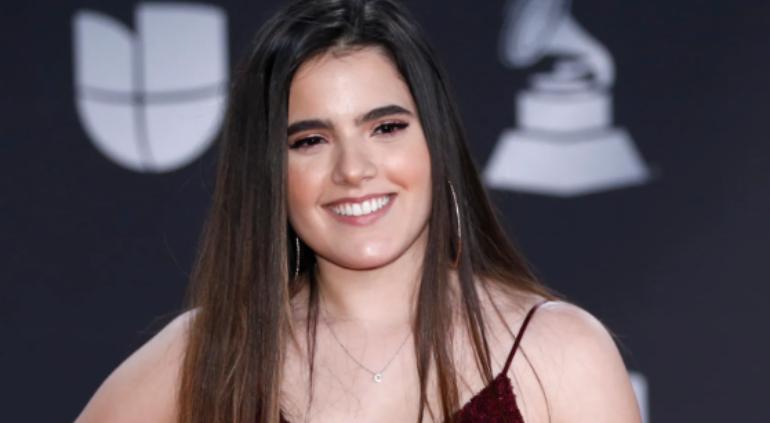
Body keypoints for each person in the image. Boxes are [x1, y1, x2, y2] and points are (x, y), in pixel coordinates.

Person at [75, 0, 641, 422]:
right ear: (270, 172)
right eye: (310, 140)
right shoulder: (213, 352)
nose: (353, 169)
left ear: (436, 140)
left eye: (386, 128)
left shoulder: (560, 352)